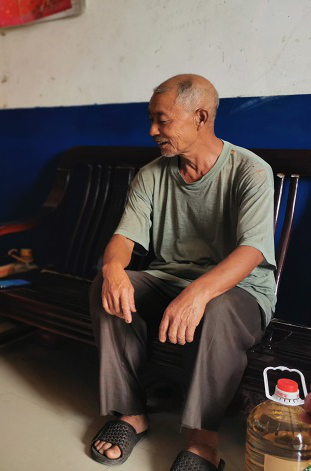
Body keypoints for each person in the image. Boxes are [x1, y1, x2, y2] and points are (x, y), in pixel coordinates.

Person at [89, 74, 276, 470]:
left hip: (240, 292)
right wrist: (112, 267)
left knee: (218, 309)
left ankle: (202, 440)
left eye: (162, 120)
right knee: (108, 287)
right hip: (170, 282)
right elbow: (124, 238)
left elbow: (251, 251)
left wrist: (198, 293)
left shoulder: (250, 171)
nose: (152, 131)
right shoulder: (151, 175)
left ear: (200, 117)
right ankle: (130, 413)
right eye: (151, 120)